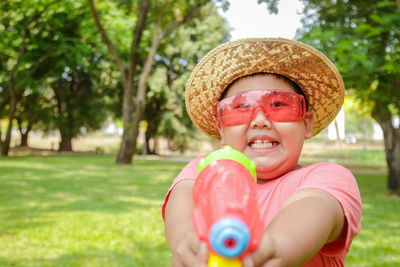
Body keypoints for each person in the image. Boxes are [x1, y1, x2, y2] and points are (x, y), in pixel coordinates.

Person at [162, 38, 362, 267]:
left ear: (306, 124)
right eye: (241, 107)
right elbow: (183, 199)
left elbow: (315, 206)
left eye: (278, 105)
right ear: (222, 130)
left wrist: (273, 247)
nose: (259, 120)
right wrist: (189, 245)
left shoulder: (328, 177)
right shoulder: (206, 169)